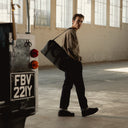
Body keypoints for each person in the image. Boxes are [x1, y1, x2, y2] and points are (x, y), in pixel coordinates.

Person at [58, 14, 98, 117]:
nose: (80, 23)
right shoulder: (71, 32)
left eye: (81, 21)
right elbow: (72, 49)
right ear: (73, 20)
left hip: (69, 63)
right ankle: (83, 109)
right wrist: (78, 59)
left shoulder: (68, 31)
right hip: (73, 63)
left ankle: (64, 109)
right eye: (78, 21)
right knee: (79, 87)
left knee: (69, 86)